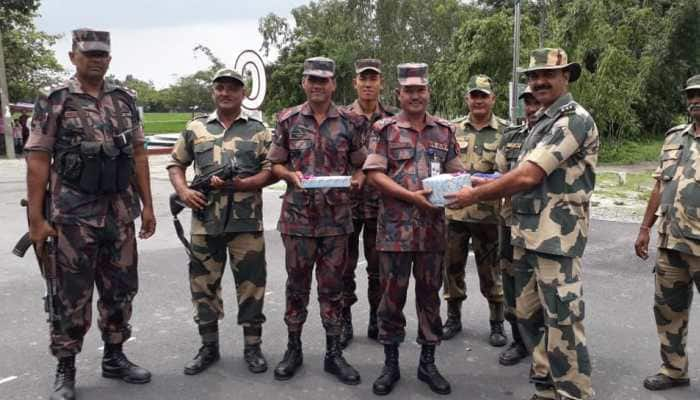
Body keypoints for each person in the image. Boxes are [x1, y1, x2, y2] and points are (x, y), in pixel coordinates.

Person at [445, 48, 597, 400]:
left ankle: (574, 393)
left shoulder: (571, 119)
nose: (539, 81)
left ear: (566, 77)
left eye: (548, 74)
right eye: (532, 76)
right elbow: (515, 172)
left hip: (556, 239)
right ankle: (545, 386)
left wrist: (475, 196)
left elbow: (529, 175)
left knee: (563, 323)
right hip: (526, 234)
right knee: (527, 315)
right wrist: (485, 184)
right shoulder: (541, 122)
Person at [24, 29, 156, 400]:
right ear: (73, 56)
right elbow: (37, 160)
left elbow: (139, 155)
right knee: (70, 295)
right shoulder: (55, 100)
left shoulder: (124, 99)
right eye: (89, 53)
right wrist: (36, 219)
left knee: (121, 290)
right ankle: (66, 368)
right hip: (73, 216)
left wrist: (147, 206)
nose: (96, 59)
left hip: (119, 214)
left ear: (109, 59)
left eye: (102, 54)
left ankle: (114, 356)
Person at [364, 63, 463, 395]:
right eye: (409, 90)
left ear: (428, 92)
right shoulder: (384, 129)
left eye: (421, 89)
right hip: (394, 232)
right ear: (399, 94)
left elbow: (455, 172)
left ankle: (427, 363)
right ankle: (390, 363)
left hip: (432, 232)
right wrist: (410, 197)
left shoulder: (444, 131)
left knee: (430, 298)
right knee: (390, 300)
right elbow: (374, 175)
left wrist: (461, 190)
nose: (415, 95)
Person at [167, 68, 273, 376]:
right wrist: (184, 191)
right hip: (205, 223)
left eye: (232, 89)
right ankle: (208, 347)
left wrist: (244, 184)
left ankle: (252, 347)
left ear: (243, 94)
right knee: (203, 287)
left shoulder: (259, 129)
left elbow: (271, 170)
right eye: (220, 88)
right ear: (214, 92)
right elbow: (176, 163)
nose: (226, 93)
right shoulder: (196, 128)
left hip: (246, 224)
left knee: (252, 287)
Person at [267, 57, 366, 385]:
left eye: (323, 80)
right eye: (312, 80)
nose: (317, 85)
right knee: (296, 287)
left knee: (333, 289)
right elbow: (275, 165)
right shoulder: (288, 120)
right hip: (297, 220)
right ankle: (293, 349)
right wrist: (289, 174)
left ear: (334, 84)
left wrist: (357, 178)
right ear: (304, 83)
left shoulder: (350, 123)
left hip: (336, 221)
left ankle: (333, 352)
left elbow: (361, 164)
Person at [635, 74, 700, 391]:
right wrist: (645, 227)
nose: (696, 100)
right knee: (668, 310)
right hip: (671, 242)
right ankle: (674, 369)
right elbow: (660, 184)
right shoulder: (674, 138)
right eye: (691, 95)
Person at [443, 74, 509, 345]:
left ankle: (496, 322)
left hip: (488, 216)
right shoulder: (451, 129)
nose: (478, 100)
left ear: (492, 98)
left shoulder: (507, 131)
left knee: (491, 270)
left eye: (483, 95)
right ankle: (453, 317)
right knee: (451, 268)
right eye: (474, 95)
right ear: (467, 98)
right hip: (455, 213)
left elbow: (509, 173)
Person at [340, 58, 398, 348]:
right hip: (347, 204)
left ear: (380, 83)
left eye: (373, 79)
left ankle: (377, 318)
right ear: (355, 83)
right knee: (344, 266)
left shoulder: (391, 119)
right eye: (363, 79)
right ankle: (345, 320)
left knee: (378, 268)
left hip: (380, 205)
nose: (367, 84)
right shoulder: (340, 117)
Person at [495, 86, 543, 366]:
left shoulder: (554, 134)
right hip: (510, 221)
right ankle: (518, 339)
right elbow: (500, 175)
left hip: (544, 225)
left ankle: (544, 347)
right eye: (527, 102)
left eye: (536, 101)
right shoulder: (511, 136)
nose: (532, 107)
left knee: (544, 284)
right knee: (511, 279)